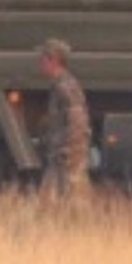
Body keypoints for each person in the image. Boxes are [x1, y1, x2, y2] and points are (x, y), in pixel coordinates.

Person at [38, 38, 90, 198]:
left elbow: (77, 122)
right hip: (58, 156)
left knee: (72, 199)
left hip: (67, 158)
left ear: (53, 60)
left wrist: (69, 151)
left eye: (42, 59)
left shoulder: (66, 87)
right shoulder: (57, 85)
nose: (39, 64)